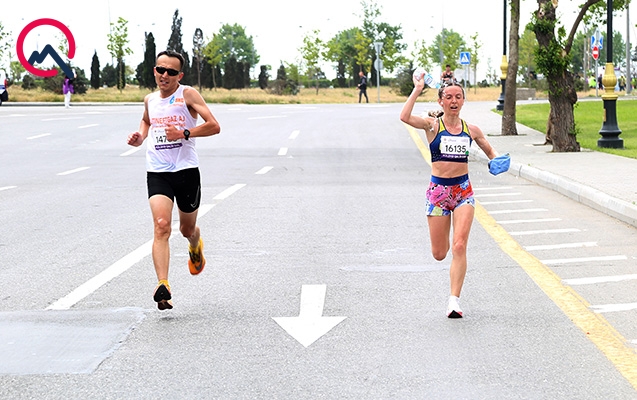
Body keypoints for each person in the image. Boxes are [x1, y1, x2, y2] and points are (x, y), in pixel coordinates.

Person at [126, 50, 221, 310]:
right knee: (161, 226)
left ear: (179, 75)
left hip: (186, 171)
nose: (164, 75)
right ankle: (163, 285)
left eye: (171, 71)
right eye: (160, 69)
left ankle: (195, 244)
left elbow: (214, 126)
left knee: (186, 229)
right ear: (154, 71)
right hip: (158, 171)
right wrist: (140, 136)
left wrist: (184, 133)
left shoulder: (187, 94)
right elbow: (146, 121)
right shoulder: (149, 99)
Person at [400, 74, 499, 319]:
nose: (454, 101)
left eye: (458, 97)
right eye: (449, 97)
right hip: (438, 194)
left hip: (463, 192)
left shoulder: (471, 130)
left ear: (463, 100)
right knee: (440, 253)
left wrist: (497, 161)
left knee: (460, 245)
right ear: (441, 101)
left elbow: (490, 151)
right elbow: (404, 117)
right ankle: (451, 290)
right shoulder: (432, 126)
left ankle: (454, 301)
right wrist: (417, 89)